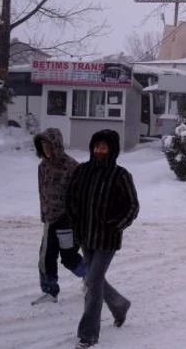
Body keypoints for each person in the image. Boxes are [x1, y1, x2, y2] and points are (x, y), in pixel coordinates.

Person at [68, 130, 139, 349]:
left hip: (107, 240)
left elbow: (132, 207)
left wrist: (116, 225)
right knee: (93, 279)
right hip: (85, 235)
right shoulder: (82, 171)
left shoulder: (121, 176)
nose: (98, 150)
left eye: (103, 147)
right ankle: (120, 306)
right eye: (96, 146)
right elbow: (70, 198)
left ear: (112, 150)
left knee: (92, 282)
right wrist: (74, 218)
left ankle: (88, 335)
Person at [32, 128, 86, 305]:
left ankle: (90, 278)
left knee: (69, 259)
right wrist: (44, 216)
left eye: (48, 145)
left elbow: (81, 196)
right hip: (50, 221)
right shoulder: (43, 167)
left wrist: (76, 219)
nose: (45, 149)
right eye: (42, 146)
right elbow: (43, 193)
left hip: (67, 222)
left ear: (56, 145)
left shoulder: (72, 166)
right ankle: (50, 292)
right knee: (45, 258)